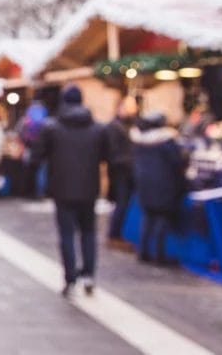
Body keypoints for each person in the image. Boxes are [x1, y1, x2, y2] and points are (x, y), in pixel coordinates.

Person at [34, 85, 109, 297]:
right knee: (88, 233)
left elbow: (38, 155)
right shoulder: (97, 129)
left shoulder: (52, 127)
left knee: (66, 234)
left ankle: (70, 278)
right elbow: (106, 156)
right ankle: (89, 275)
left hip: (62, 189)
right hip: (89, 189)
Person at [132, 112, 187, 265]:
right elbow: (178, 162)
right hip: (164, 185)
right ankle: (159, 255)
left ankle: (143, 252)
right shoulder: (166, 141)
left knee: (148, 217)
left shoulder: (139, 141)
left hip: (144, 184)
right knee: (161, 219)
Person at [106, 96, 139, 249]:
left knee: (124, 204)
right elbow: (113, 153)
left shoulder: (131, 125)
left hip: (127, 171)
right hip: (121, 172)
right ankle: (114, 235)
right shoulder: (115, 127)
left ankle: (117, 234)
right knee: (121, 203)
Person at [17, 98, 49, 198]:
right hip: (43, 150)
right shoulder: (46, 120)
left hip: (29, 148)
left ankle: (25, 191)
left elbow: (19, 131)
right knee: (41, 172)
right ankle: (40, 193)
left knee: (27, 169)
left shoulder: (26, 119)